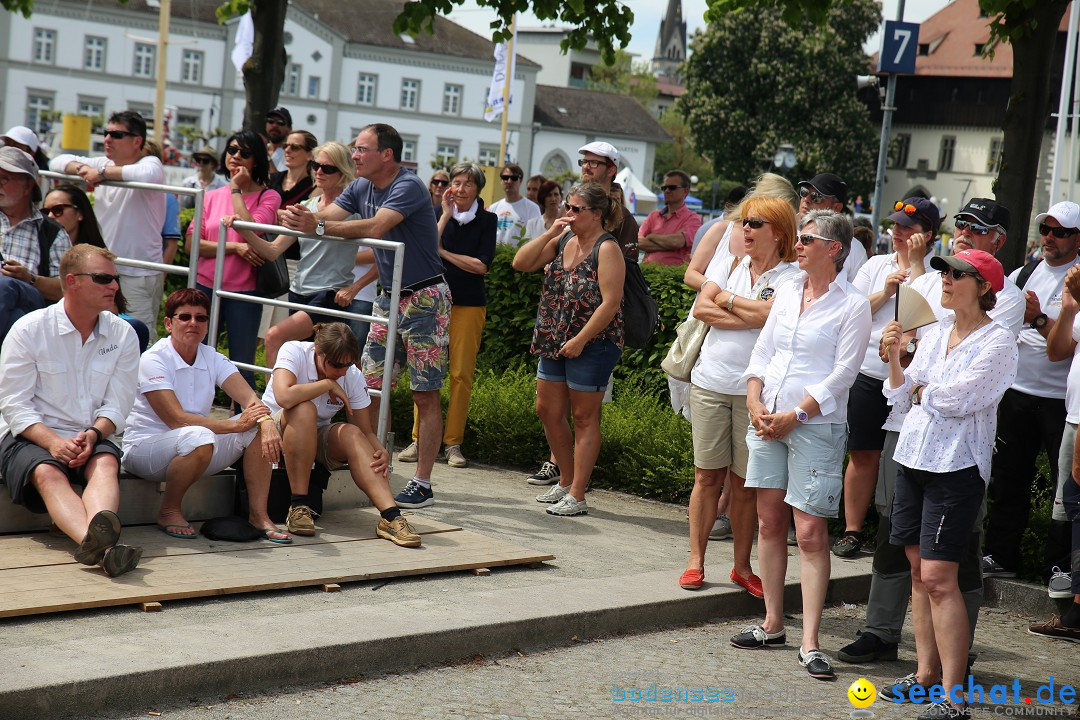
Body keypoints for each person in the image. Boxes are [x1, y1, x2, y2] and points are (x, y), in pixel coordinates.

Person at [730, 210, 871, 683]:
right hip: (768, 418)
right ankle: (773, 624)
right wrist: (754, 399)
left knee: (810, 533)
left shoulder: (852, 305)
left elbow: (845, 373)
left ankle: (810, 640)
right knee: (770, 522)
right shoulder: (788, 289)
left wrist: (799, 414)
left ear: (834, 248)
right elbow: (764, 351)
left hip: (814, 426)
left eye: (808, 238)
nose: (799, 243)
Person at [280, 123, 448, 510]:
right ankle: (375, 463)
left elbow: (374, 227)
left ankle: (422, 482)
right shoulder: (360, 185)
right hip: (388, 297)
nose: (354, 156)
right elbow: (329, 214)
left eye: (361, 150)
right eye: (354, 150)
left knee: (424, 392)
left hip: (424, 296)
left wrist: (317, 225)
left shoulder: (408, 185)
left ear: (386, 155)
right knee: (368, 384)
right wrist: (299, 218)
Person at [880, 249, 1017, 719]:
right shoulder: (936, 332)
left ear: (983, 287)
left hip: (956, 467)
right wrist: (898, 359)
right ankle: (925, 676)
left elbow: (958, 399)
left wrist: (918, 388)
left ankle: (953, 697)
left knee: (940, 578)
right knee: (919, 575)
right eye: (944, 271)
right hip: (914, 457)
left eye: (958, 274)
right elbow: (899, 394)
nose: (946, 278)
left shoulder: (999, 342)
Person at [679, 196, 798, 596]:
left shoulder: (791, 277)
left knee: (746, 484)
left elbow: (772, 319)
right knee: (706, 476)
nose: (744, 229)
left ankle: (742, 568)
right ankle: (695, 561)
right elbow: (701, 309)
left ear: (778, 232)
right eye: (744, 222)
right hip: (710, 381)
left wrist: (726, 301)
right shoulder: (730, 262)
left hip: (758, 392)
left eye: (755, 223)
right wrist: (747, 310)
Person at [0, 244, 142, 577]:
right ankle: (103, 548)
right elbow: (13, 404)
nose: (115, 287)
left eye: (115, 279)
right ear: (73, 282)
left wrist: (93, 434)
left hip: (90, 433)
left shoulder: (123, 333)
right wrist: (51, 442)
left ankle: (100, 549)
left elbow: (119, 403)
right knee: (48, 472)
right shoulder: (29, 329)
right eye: (104, 278)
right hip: (29, 435)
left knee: (106, 462)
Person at [121, 289, 289, 542]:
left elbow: (250, 399)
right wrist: (233, 426)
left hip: (198, 446)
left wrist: (265, 422)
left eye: (201, 318)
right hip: (145, 450)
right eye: (185, 317)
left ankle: (258, 515)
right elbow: (176, 420)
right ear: (168, 323)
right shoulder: (153, 359)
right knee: (200, 435)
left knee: (255, 426)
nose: (193, 323)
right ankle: (169, 511)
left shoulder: (211, 356)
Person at [833, 197, 939, 559]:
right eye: (895, 226)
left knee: (902, 458)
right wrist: (887, 291)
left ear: (927, 235)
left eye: (907, 228)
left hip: (908, 381)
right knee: (862, 453)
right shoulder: (876, 265)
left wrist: (915, 267)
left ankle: (894, 530)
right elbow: (854, 310)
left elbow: (927, 316)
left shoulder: (937, 276)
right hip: (868, 372)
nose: (898, 233)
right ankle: (851, 529)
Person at [512, 183, 625, 517]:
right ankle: (566, 479)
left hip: (594, 342)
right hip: (554, 336)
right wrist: (550, 232)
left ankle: (577, 494)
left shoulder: (607, 248)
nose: (569, 214)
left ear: (597, 214)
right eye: (567, 207)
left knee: (584, 416)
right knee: (547, 409)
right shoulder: (563, 240)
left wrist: (581, 340)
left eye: (576, 209)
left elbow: (612, 303)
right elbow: (521, 262)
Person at [254, 323, 422, 547]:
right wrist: (326, 384)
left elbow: (365, 430)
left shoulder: (351, 374)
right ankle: (299, 506)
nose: (342, 372)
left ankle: (391, 517)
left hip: (312, 438)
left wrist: (378, 449)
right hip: (272, 430)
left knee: (351, 434)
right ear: (318, 351)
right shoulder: (294, 351)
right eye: (335, 365)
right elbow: (284, 396)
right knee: (304, 410)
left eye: (348, 364)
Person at [982, 201, 1080, 581]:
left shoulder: (1076, 279)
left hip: (1062, 402)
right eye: (1046, 230)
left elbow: (1065, 350)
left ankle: (1058, 567)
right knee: (1008, 478)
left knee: (1063, 489)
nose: (1049, 238)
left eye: (1060, 232)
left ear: (1077, 239)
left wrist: (1037, 318)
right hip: (1019, 391)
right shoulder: (1026, 272)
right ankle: (1000, 556)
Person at [398, 162, 496, 469]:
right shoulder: (435, 215)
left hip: (468, 304)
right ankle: (418, 439)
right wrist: (443, 217)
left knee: (460, 375)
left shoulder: (488, 220)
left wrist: (444, 254)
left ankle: (453, 443)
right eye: (456, 182)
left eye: (468, 183)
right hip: (432, 302)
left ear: (478, 189)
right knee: (425, 371)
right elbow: (427, 247)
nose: (461, 189)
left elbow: (481, 266)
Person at [251, 141, 376, 366]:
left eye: (328, 168)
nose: (319, 171)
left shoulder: (355, 211)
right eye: (316, 165)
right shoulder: (306, 205)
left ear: (343, 171)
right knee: (313, 361)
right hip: (298, 291)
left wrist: (354, 288)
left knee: (274, 337)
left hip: (329, 295)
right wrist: (243, 229)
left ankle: (275, 399)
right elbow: (273, 251)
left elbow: (384, 256)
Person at [49, 110, 167, 337]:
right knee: (97, 334)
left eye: (116, 134)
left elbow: (147, 174)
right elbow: (57, 161)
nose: (107, 139)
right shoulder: (101, 162)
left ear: (137, 141)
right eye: (106, 133)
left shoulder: (149, 162)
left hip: (137, 272)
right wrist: (83, 170)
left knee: (138, 337)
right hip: (101, 270)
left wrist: (101, 173)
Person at [191, 129, 282, 388]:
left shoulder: (269, 196)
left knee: (241, 365)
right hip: (206, 285)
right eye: (231, 150)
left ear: (257, 161)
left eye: (245, 152)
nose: (236, 156)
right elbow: (192, 244)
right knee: (193, 357)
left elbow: (251, 228)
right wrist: (235, 248)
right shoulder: (210, 196)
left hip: (245, 293)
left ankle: (245, 422)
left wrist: (234, 190)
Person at [0, 147, 71, 340]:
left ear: (28, 186)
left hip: (31, 301)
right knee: (15, 318)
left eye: (5, 178)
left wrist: (29, 278)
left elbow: (68, 288)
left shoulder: (52, 232)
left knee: (4, 286)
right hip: (17, 319)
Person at [796, 173, 867, 282]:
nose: (806, 199)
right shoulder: (784, 233)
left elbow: (859, 294)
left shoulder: (854, 249)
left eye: (816, 197)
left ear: (836, 207)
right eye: (804, 192)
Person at [577, 142, 639, 260]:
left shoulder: (622, 216)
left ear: (611, 171)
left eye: (594, 163)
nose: (586, 166)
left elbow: (628, 266)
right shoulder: (570, 207)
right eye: (584, 162)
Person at [638, 170, 703, 265]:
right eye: (664, 188)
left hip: (673, 275)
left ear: (685, 191)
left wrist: (651, 236)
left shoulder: (693, 219)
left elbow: (677, 242)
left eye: (672, 187)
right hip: (647, 272)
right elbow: (637, 242)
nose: (667, 191)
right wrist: (669, 245)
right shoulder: (653, 215)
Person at [490, 163, 541, 245]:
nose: (509, 181)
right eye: (505, 178)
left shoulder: (532, 208)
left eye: (514, 178)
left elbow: (536, 239)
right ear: (501, 181)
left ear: (520, 181)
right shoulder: (493, 208)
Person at [43, 184, 105, 248]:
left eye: (57, 209)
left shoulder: (97, 256)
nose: (50, 216)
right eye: (45, 212)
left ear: (80, 213)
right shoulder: (36, 249)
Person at [267, 130, 316, 208]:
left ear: (310, 155)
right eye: (285, 146)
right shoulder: (270, 179)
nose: (287, 150)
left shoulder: (315, 187)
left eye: (295, 147)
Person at [180, 144, 228, 209]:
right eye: (198, 159)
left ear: (213, 164)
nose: (201, 163)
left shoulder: (222, 186)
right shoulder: (188, 183)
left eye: (205, 160)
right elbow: (181, 208)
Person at [265, 106, 292, 172]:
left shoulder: (290, 154)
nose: (274, 125)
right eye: (271, 121)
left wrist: (266, 157)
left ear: (289, 129)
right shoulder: (259, 149)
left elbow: (279, 181)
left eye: (280, 122)